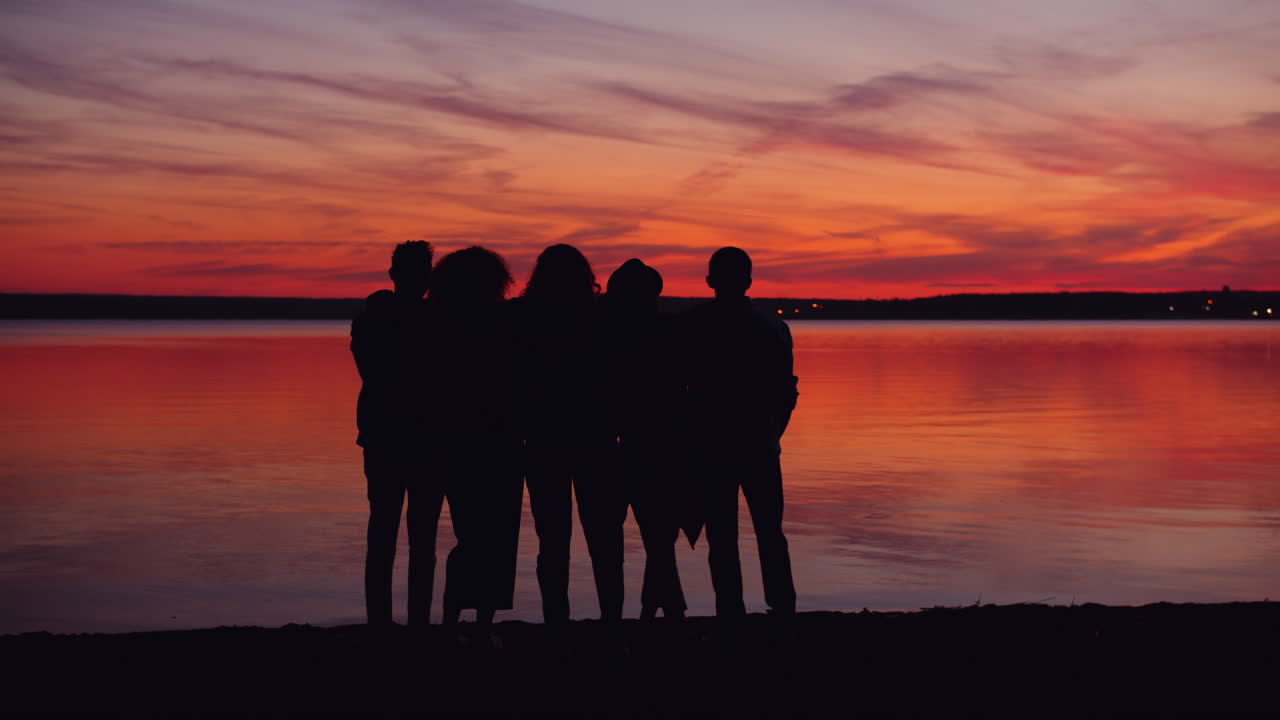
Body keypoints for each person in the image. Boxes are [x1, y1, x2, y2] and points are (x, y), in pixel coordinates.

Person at [678, 247, 798, 619]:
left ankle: (730, 609)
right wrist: (773, 431)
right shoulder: (772, 327)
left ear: (710, 280)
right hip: (759, 440)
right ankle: (781, 607)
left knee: (722, 535)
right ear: (748, 281)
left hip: (713, 443)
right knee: (769, 531)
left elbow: (677, 389)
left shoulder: (690, 325)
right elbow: (786, 392)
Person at [513, 244, 625, 627]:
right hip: (597, 438)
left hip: (544, 439)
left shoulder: (523, 317)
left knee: (553, 541)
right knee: (604, 539)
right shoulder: (603, 316)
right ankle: (611, 619)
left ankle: (555, 623)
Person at [428, 247, 524, 637]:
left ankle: (453, 616)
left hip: (456, 439)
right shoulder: (507, 322)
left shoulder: (438, 323)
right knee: (496, 535)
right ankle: (481, 618)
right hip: (499, 440)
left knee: (470, 534)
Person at [350, 240, 441, 629]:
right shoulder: (430, 320)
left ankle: (385, 624)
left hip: (395, 435)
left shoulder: (374, 318)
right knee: (416, 536)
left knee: (388, 532)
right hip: (412, 437)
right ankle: (406, 623)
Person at [601, 259, 687, 621]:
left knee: (625, 538)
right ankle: (662, 608)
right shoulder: (670, 332)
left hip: (620, 444)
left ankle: (645, 610)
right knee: (659, 536)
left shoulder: (603, 335)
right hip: (654, 443)